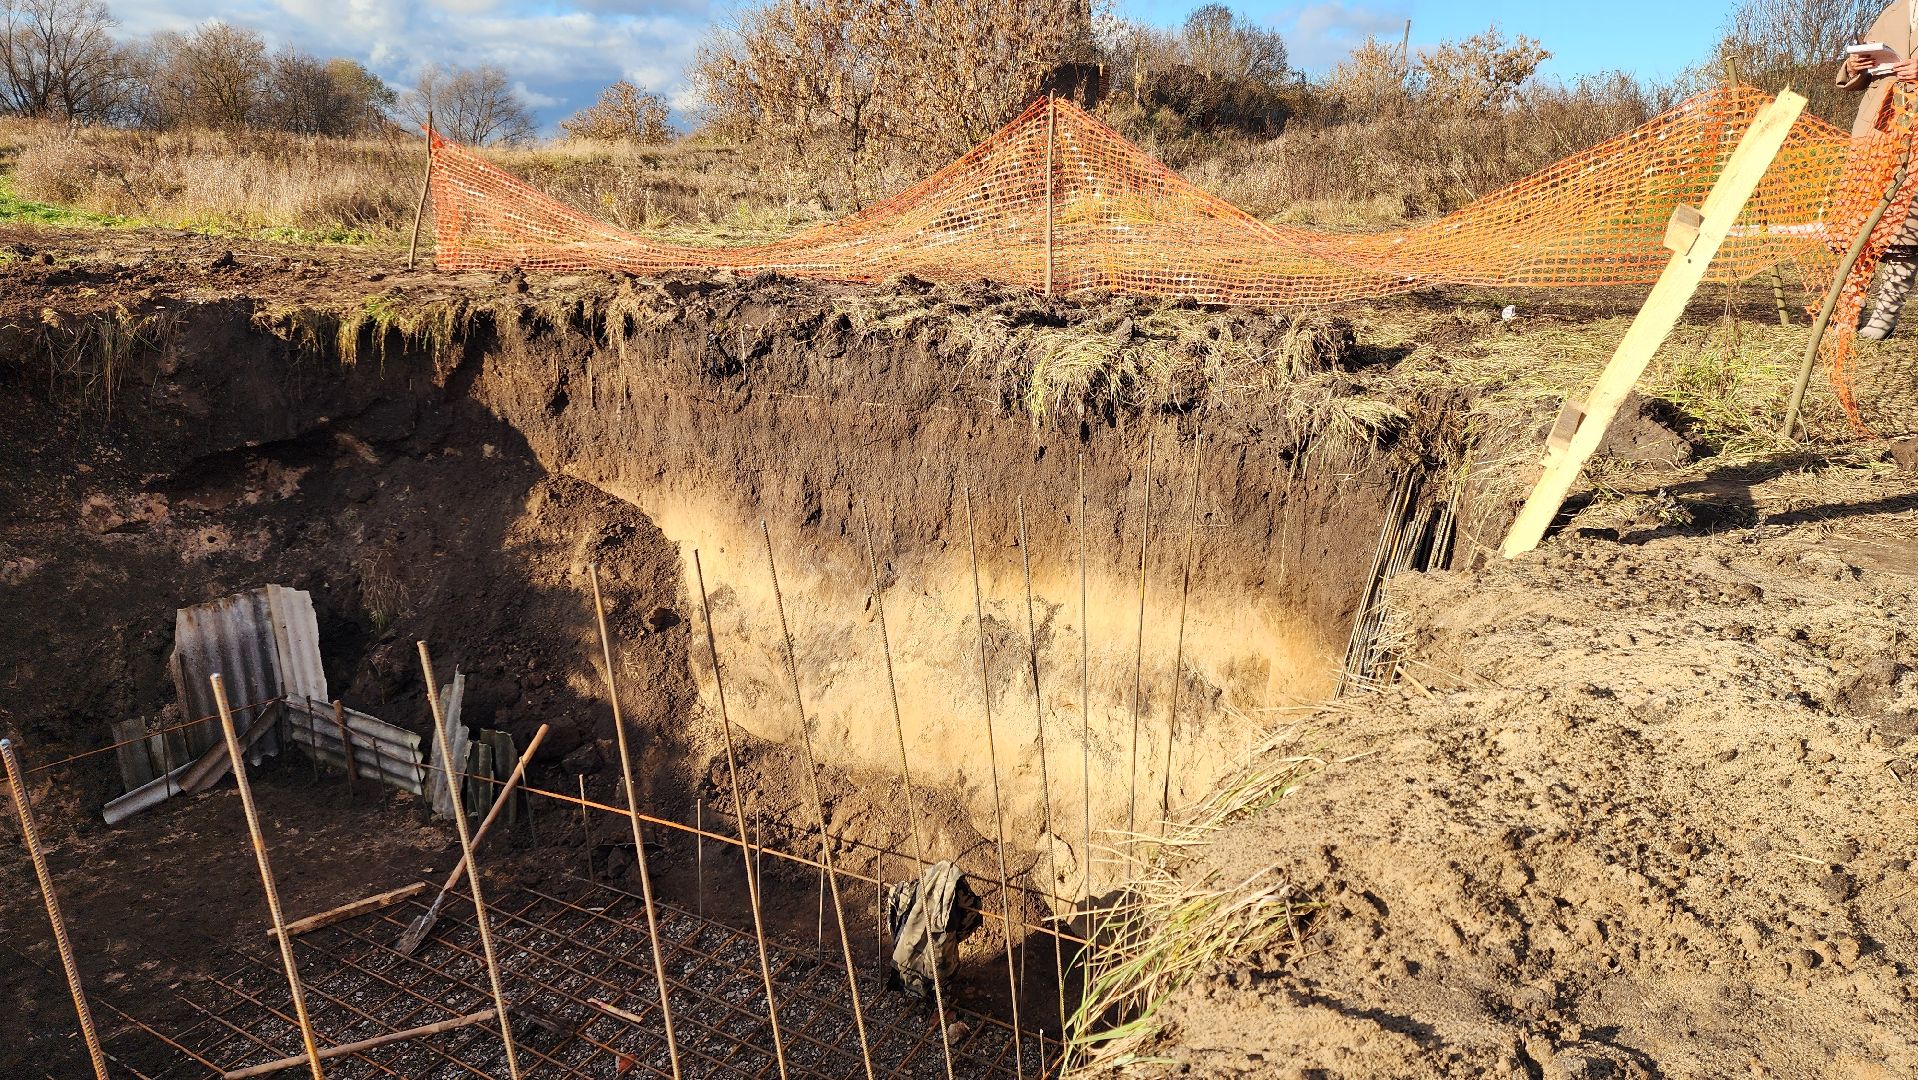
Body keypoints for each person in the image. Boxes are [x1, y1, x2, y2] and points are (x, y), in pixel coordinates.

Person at [1838, 2, 1918, 339]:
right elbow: (1857, 73)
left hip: (1914, 132)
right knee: (1857, 222)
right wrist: (1854, 65)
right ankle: (1846, 309)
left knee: (1908, 225)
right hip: (1877, 128)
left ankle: (1885, 314)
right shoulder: (1892, 10)